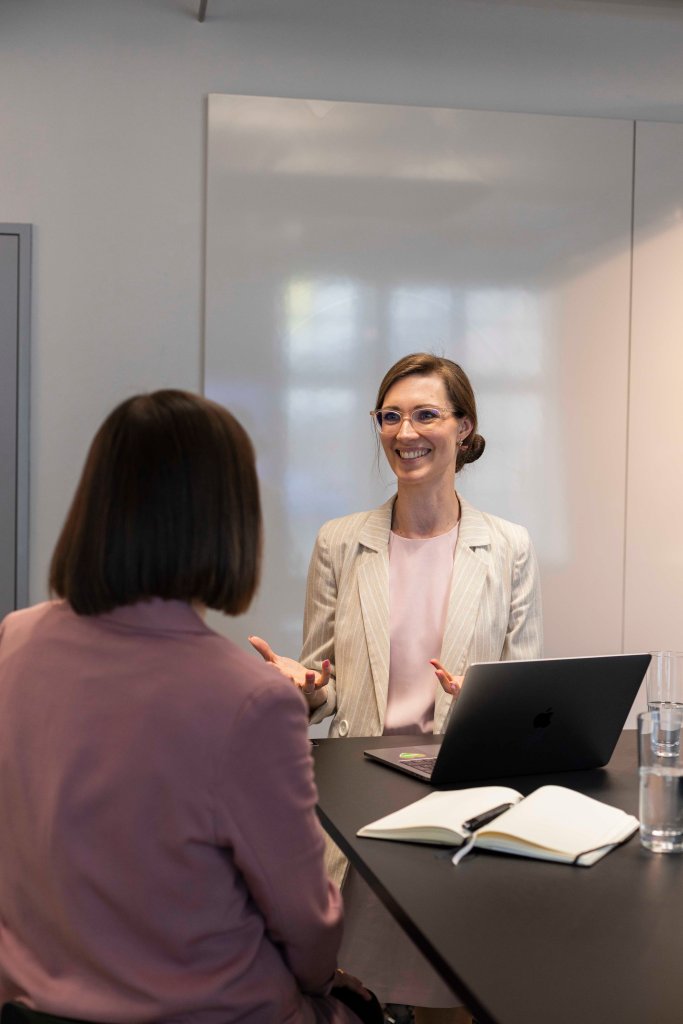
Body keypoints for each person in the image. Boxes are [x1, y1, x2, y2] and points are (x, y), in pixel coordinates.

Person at [0, 390, 383, 1024]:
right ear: (228, 519)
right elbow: (309, 933)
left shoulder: (14, 640)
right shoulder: (250, 700)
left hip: (32, 1002)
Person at [250, 353, 543, 1024]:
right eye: (389, 416)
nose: (403, 431)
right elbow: (321, 684)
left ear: (464, 428)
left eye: (424, 414)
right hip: (359, 805)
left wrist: (487, 701)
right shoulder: (339, 542)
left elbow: (529, 707)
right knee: (351, 996)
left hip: (460, 807)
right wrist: (294, 690)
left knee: (454, 994)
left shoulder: (507, 547)